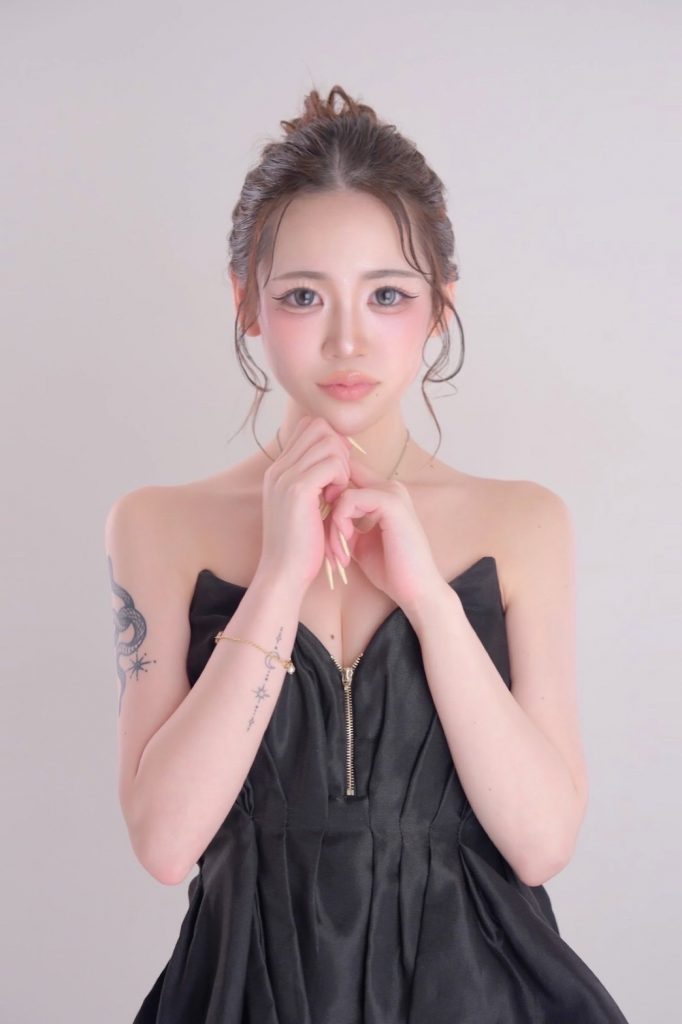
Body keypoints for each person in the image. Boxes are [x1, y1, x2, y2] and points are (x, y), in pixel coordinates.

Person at [106, 85, 630, 1023]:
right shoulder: (159, 525)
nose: (347, 339)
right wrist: (278, 576)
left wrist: (427, 597)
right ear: (246, 303)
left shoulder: (522, 523)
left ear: (439, 309)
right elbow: (165, 843)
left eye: (387, 295)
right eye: (302, 296)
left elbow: (541, 843)